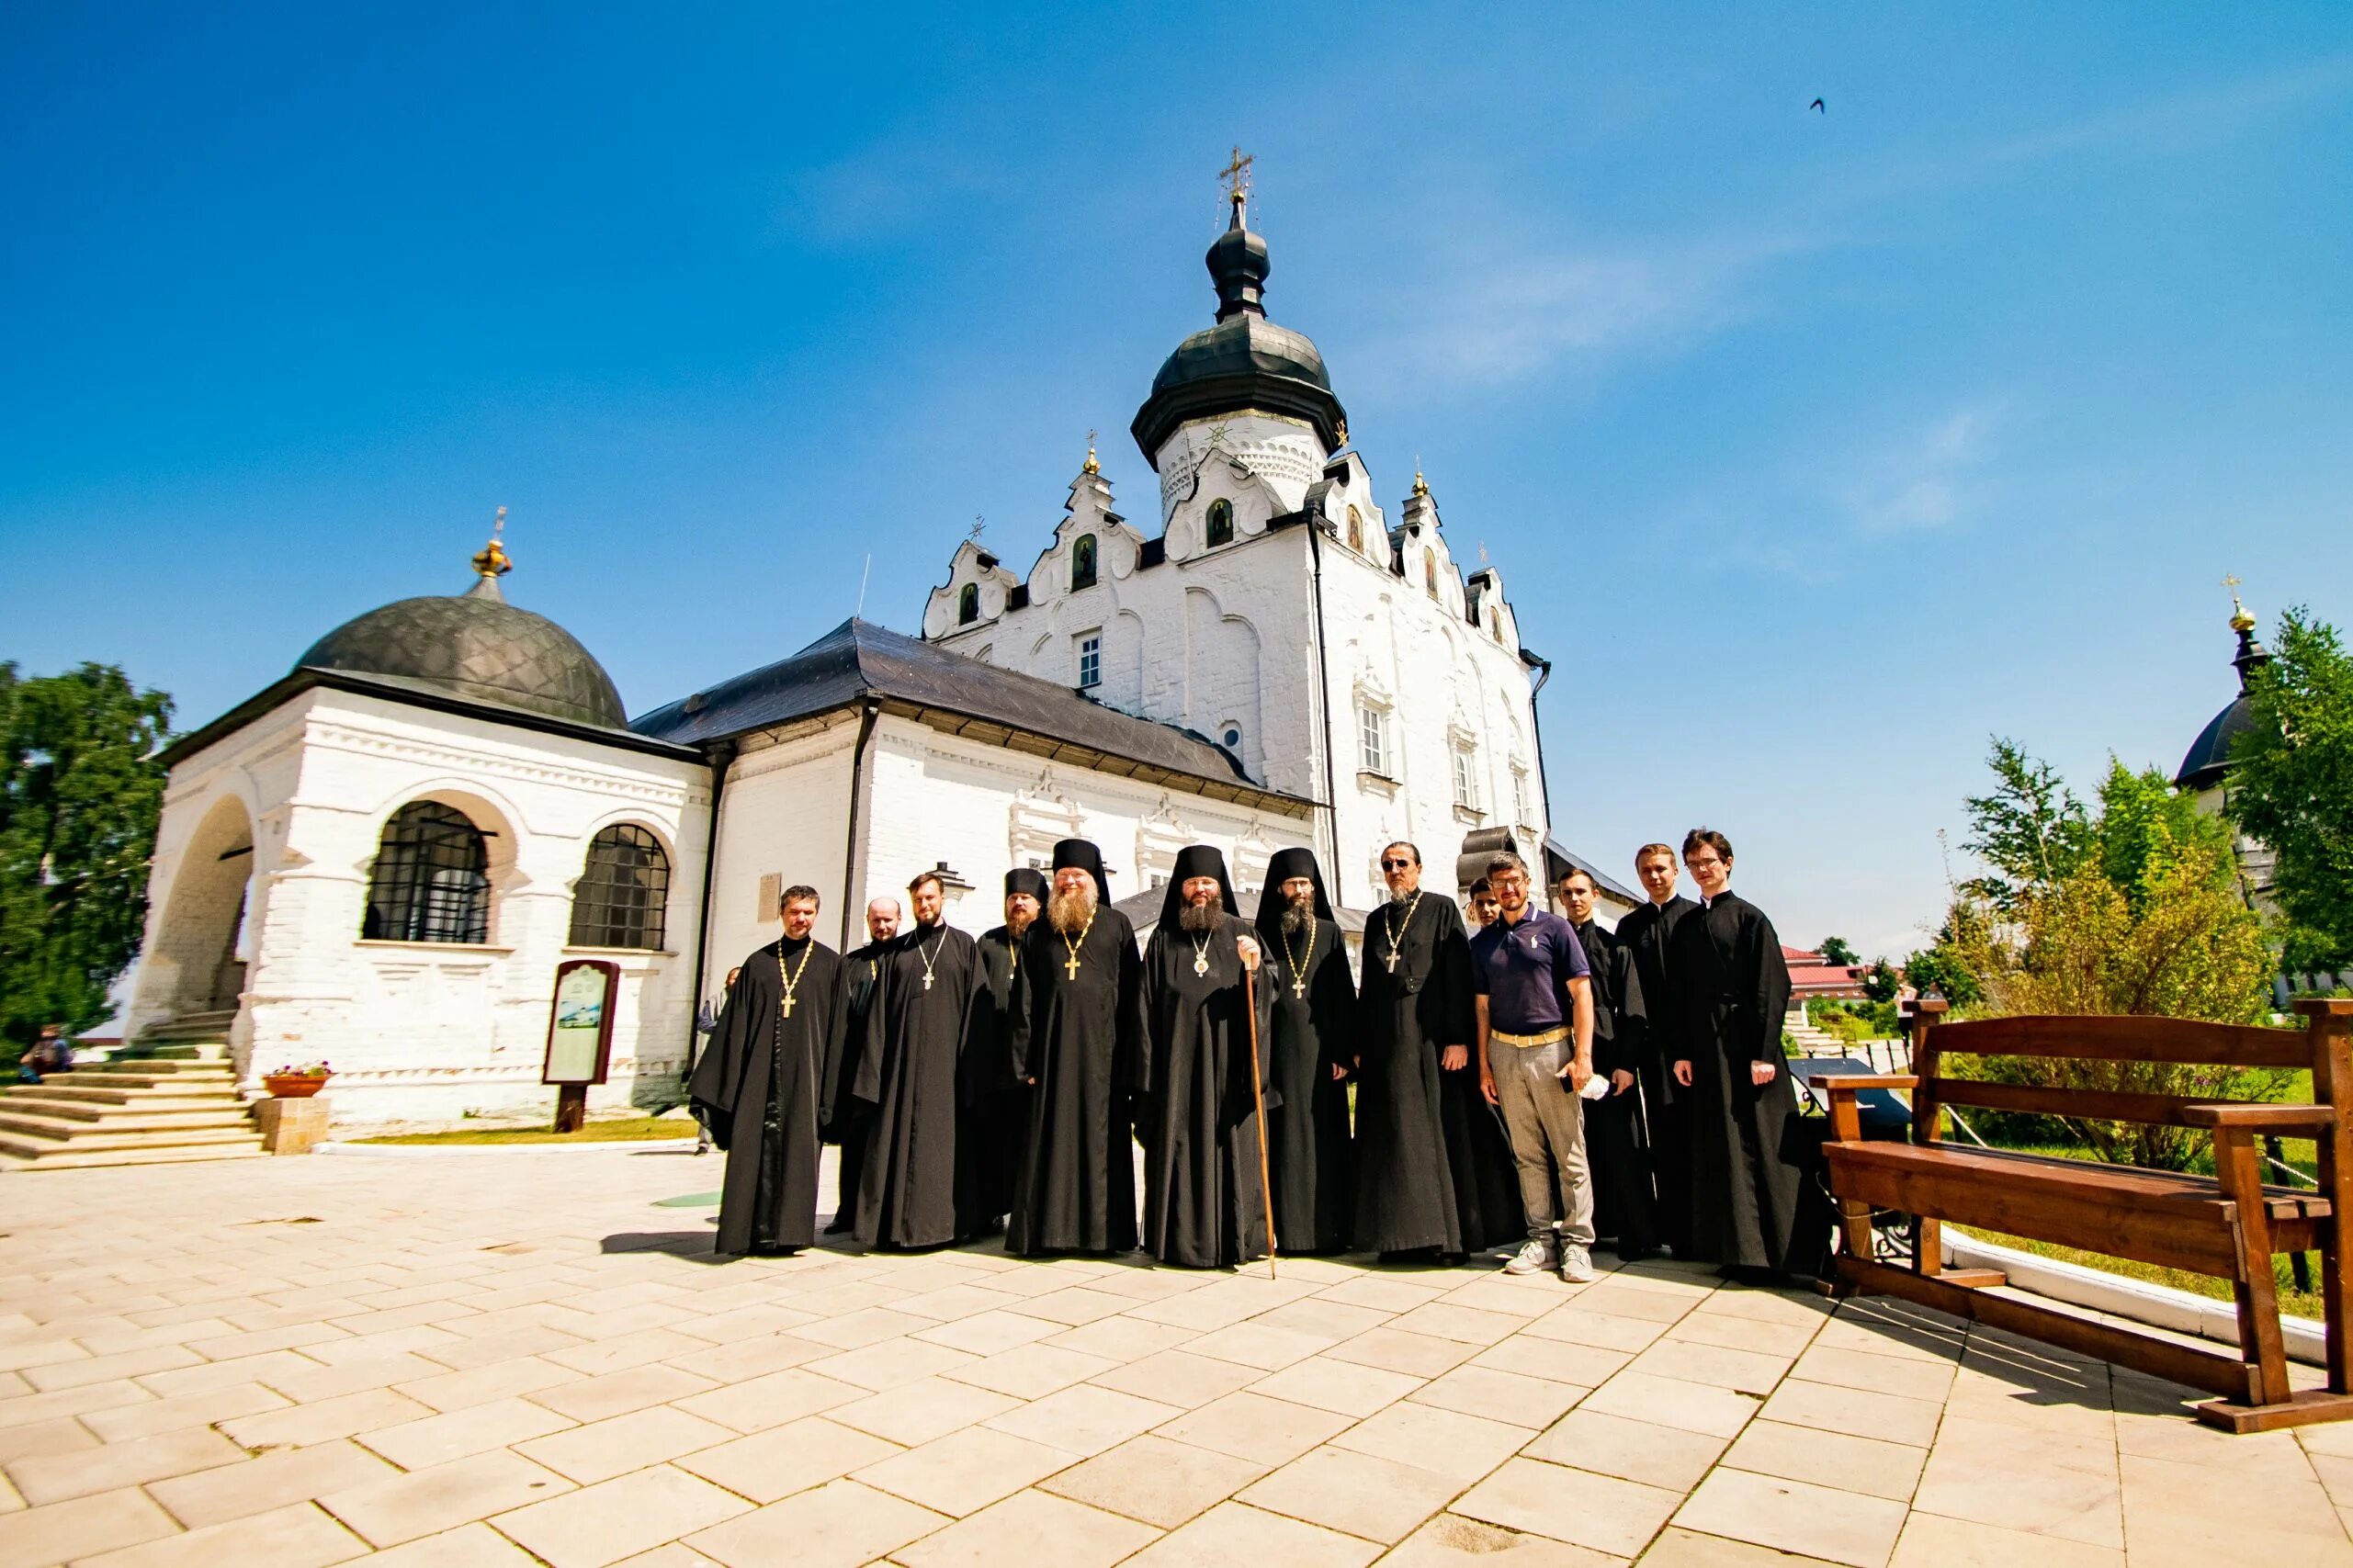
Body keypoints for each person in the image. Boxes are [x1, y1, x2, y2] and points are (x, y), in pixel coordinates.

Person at [1352, 840, 1522, 1261]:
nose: (1395, 870)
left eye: (1402, 863)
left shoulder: (1441, 908)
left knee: (1436, 1136)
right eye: (1388, 864)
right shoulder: (1376, 920)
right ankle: (1396, 1238)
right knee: (1391, 1136)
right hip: (1387, 1044)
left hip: (1430, 1042)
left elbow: (1457, 976)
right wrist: (1361, 1045)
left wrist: (1458, 1038)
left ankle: (1445, 1238)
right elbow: (1370, 987)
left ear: (1419, 868)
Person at [1667, 829, 1802, 1278]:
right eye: (1694, 864)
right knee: (1719, 1143)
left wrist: (1763, 1053)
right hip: (1705, 1049)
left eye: (1708, 861)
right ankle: (1735, 1251)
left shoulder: (1750, 919)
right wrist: (1683, 1051)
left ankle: (1778, 1256)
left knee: (1761, 1142)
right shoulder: (1686, 925)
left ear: (1727, 863)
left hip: (1748, 1046)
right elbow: (1680, 995)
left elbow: (1771, 987)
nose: (1701, 870)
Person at [1135, 846, 1274, 1268]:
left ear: (1220, 888)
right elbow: (1144, 1008)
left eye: (1208, 882)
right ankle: (1176, 1242)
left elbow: (1269, 994)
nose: (1200, 889)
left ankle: (1234, 1240)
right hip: (1176, 1068)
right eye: (1192, 882)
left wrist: (1255, 969)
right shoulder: (1163, 940)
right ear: (1180, 887)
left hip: (1227, 1068)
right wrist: (1146, 1074)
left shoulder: (1240, 932)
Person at [689, 885, 846, 1257]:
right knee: (752, 1155)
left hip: (805, 1080)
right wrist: (721, 1084)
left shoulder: (829, 964)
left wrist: (831, 1092)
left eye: (808, 912)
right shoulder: (758, 964)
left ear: (816, 914)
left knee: (798, 1156)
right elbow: (732, 1030)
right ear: (782, 912)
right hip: (759, 1082)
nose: (800, 919)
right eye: (794, 911)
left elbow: (839, 1031)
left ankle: (790, 1234)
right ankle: (746, 1233)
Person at [1007, 839, 1144, 1256]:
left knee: (1102, 1144)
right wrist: (1023, 1060)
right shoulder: (1037, 932)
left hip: (1104, 1059)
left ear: (1093, 881)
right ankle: (1047, 1233)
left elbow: (1134, 997)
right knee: (1049, 1140)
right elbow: (1023, 999)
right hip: (1049, 1057)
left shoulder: (1117, 926)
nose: (1068, 882)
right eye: (1062, 875)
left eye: (1077, 876)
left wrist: (1132, 1060)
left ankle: (1103, 1235)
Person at [1472, 852, 1599, 1283]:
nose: (1507, 890)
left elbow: (1582, 994)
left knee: (1569, 1152)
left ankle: (1578, 1243)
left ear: (1527, 881)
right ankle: (1540, 1238)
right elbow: (1482, 1008)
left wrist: (1582, 1055)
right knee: (1527, 1155)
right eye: (1499, 884)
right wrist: (1485, 1066)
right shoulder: (1484, 942)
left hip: (1552, 1049)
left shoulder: (1554, 929)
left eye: (1514, 881)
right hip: (1506, 1052)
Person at [848, 872, 988, 1249]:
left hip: (948, 1074)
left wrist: (971, 1071)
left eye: (929, 898)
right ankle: (894, 1228)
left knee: (944, 1152)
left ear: (942, 898)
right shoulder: (898, 952)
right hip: (901, 1073)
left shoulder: (963, 946)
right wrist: (872, 1076)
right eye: (917, 900)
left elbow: (978, 1011)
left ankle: (941, 1228)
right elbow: (878, 1018)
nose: (923, 906)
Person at [1253, 848, 1356, 1254]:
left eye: (1306, 885)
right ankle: (1286, 1231)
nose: (1300, 891)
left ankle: (1330, 1230)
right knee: (1283, 1140)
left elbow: (1342, 995)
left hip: (1320, 1055)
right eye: (1293, 884)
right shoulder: (1262, 931)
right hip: (1277, 1051)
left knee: (1323, 1137)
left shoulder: (1329, 932)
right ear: (1279, 888)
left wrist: (1342, 1052)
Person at [1561, 869, 1657, 1260]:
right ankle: (1594, 1227)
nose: (1574, 898)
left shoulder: (1614, 947)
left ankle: (1637, 1232)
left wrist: (1625, 1064)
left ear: (1595, 895)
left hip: (1608, 1050)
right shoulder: (1554, 943)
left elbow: (1633, 1011)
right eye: (1566, 893)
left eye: (1581, 892)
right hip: (1566, 1053)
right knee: (1581, 1146)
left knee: (1622, 1144)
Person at [1617, 843, 1697, 1256]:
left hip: (1697, 1044)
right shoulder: (1630, 928)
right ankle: (1676, 1232)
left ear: (1676, 871)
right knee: (1663, 1135)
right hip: (1652, 1045)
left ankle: (1706, 1230)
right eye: (1646, 870)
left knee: (1699, 1135)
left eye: (1662, 869)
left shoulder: (1695, 918)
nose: (1655, 876)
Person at [961, 869, 1045, 1235]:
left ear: (1039, 905)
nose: (1018, 905)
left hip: (1030, 1066)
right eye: (1013, 900)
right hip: (994, 1062)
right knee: (992, 1141)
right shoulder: (989, 943)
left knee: (1026, 1142)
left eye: (1025, 900)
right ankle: (991, 1209)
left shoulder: (1047, 942)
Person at [821, 897, 899, 1233]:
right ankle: (847, 1210)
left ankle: (883, 1211)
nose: (882, 927)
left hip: (893, 1066)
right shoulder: (851, 964)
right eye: (876, 920)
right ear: (868, 921)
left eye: (888, 920)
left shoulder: (907, 958)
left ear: (899, 920)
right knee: (854, 1143)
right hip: (856, 1068)